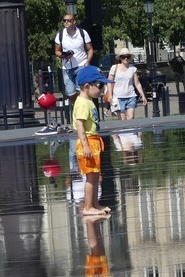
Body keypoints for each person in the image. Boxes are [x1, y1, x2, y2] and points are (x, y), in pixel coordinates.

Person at [72, 65, 113, 217]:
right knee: (90, 176)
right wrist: (85, 146)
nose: (102, 89)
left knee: (95, 175)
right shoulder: (82, 103)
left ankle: (95, 204)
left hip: (93, 141)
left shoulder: (88, 101)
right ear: (87, 86)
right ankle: (88, 207)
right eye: (100, 85)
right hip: (87, 142)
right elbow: (80, 125)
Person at [54, 12, 93, 100]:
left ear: (74, 22)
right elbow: (57, 51)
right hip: (67, 67)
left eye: (69, 20)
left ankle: (83, 110)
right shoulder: (60, 35)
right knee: (71, 93)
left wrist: (87, 62)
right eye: (64, 21)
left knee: (81, 91)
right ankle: (77, 109)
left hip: (81, 65)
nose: (66, 22)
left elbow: (90, 49)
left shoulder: (82, 33)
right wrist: (64, 56)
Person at [108, 47, 147, 120]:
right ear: (120, 58)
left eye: (127, 57)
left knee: (130, 118)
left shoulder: (133, 69)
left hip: (131, 96)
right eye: (123, 57)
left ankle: (132, 131)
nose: (125, 58)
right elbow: (109, 82)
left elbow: (137, 83)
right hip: (118, 97)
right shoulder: (114, 67)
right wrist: (110, 95)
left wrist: (143, 95)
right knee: (123, 120)